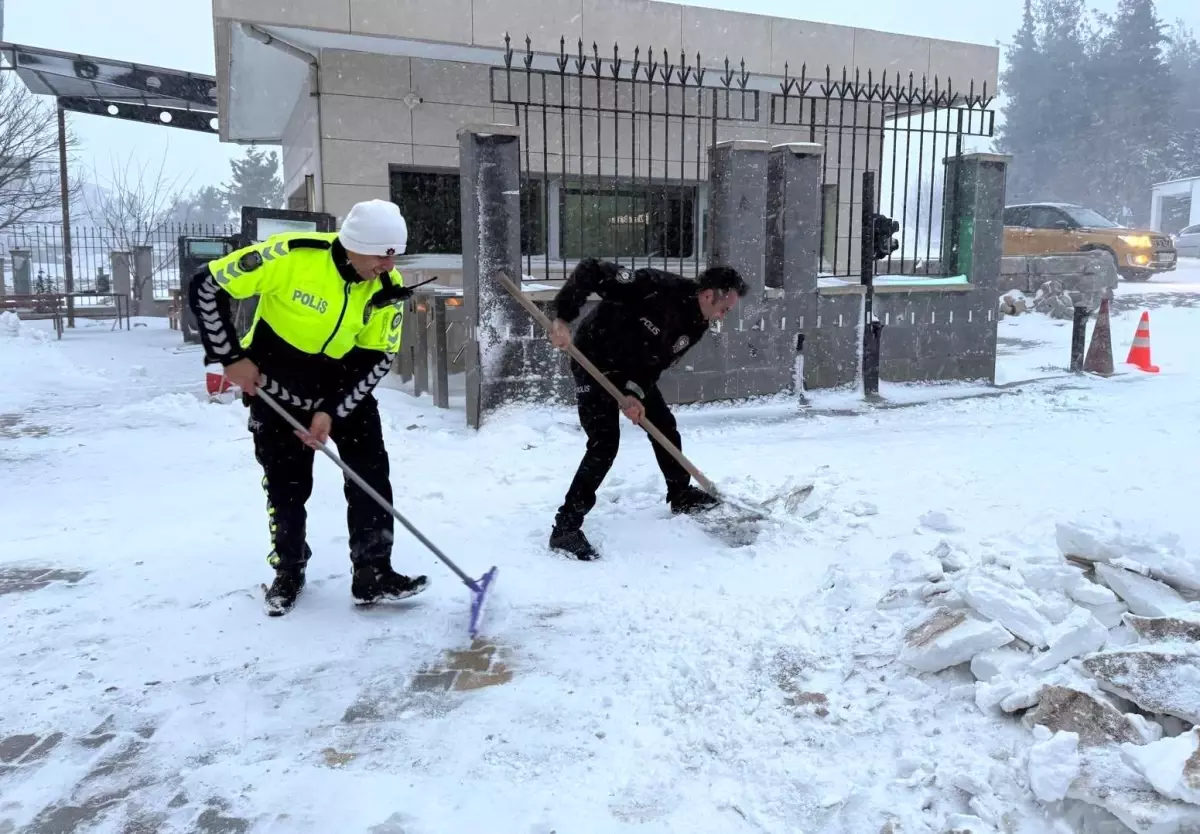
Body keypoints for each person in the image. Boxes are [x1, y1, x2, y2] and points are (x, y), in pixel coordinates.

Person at [188, 199, 428, 616]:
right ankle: (289, 571)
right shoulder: (292, 255)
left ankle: (373, 573)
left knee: (370, 474)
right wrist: (230, 356)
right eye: (379, 256)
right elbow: (206, 285)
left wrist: (332, 411)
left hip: (344, 383)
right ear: (353, 244)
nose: (388, 267)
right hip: (277, 384)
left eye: (394, 256)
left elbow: (379, 357)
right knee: (287, 487)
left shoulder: (386, 287)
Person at [546, 258, 749, 561]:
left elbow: (656, 362)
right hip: (593, 359)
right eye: (725, 308)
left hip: (629, 371)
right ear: (709, 295)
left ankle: (680, 494)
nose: (723, 316)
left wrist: (634, 394)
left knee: (663, 424)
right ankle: (565, 528)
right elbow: (591, 270)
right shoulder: (655, 287)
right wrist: (562, 319)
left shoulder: (696, 324)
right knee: (604, 444)